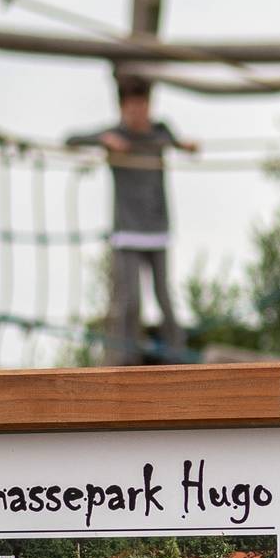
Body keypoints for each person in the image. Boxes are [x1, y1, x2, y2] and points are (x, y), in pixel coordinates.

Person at [65, 79, 200, 364]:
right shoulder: (116, 135)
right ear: (123, 108)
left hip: (157, 227)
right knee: (130, 300)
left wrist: (187, 146)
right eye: (132, 107)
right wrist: (103, 142)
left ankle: (178, 356)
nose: (139, 113)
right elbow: (70, 140)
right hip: (127, 230)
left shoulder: (160, 132)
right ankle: (128, 360)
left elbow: (179, 143)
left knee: (164, 296)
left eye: (143, 106)